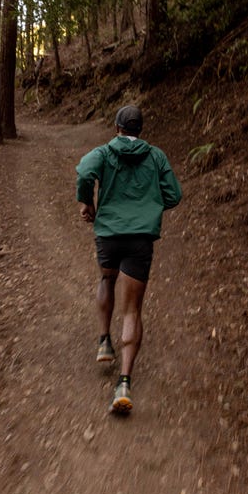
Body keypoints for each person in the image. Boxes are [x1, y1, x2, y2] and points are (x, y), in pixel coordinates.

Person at [75, 105, 182, 414]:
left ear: (117, 127)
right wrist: (149, 206)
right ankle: (123, 384)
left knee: (107, 279)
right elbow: (174, 195)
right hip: (140, 239)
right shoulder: (156, 156)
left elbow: (83, 171)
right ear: (140, 130)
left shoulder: (104, 152)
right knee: (133, 309)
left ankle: (104, 342)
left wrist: (86, 202)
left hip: (108, 233)